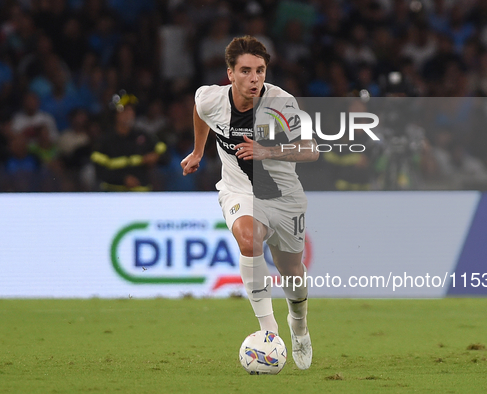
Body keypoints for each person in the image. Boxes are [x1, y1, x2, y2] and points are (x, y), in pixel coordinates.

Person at [180, 36, 318, 370]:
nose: (254, 78)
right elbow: (200, 112)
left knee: (291, 272)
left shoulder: (282, 104)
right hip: (238, 189)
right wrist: (198, 151)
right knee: (247, 238)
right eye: (246, 71)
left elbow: (311, 150)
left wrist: (267, 151)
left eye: (260, 70)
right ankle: (269, 330)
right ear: (230, 74)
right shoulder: (210, 98)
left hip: (283, 196)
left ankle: (298, 325)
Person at [91, 91, 166, 191]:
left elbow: (165, 153)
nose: (129, 113)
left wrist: (156, 156)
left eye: (131, 109)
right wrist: (122, 179)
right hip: (113, 194)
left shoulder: (142, 136)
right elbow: (100, 172)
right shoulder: (105, 140)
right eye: (125, 110)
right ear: (115, 114)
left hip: (142, 195)